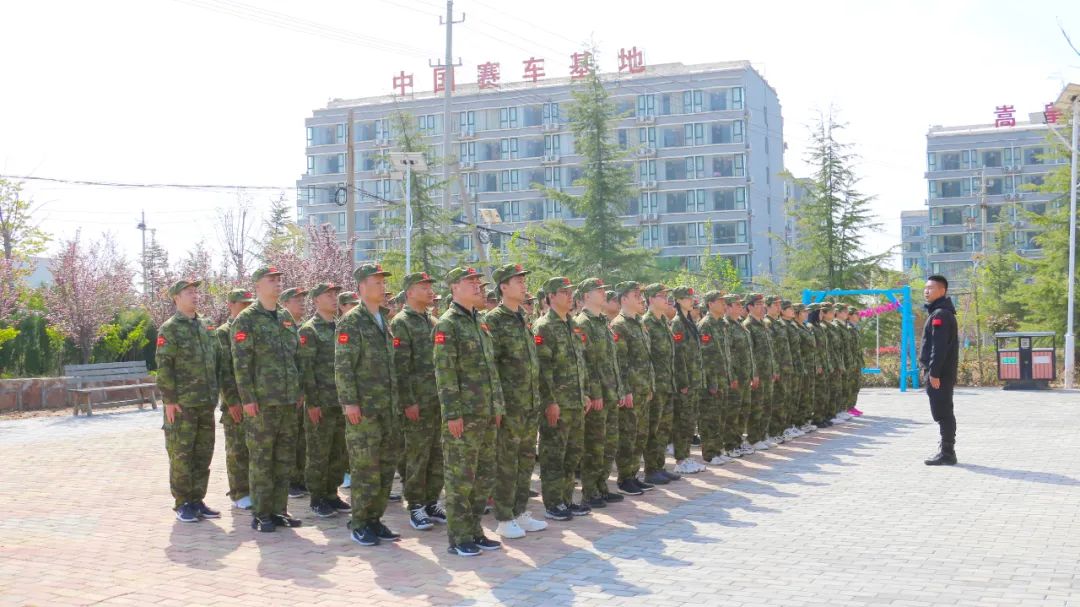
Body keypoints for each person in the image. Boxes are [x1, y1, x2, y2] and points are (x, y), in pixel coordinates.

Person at [433, 266, 505, 557]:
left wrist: (497, 405)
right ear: (454, 287)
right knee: (460, 478)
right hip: (464, 415)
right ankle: (459, 537)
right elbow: (445, 372)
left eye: (478, 282)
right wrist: (452, 414)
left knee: (484, 476)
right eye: (471, 282)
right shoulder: (447, 324)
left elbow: (491, 370)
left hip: (485, 412)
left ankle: (475, 530)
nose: (478, 286)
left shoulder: (480, 321)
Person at [232, 266, 303, 532]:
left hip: (287, 401)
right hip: (262, 403)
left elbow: (296, 357)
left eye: (278, 280)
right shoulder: (246, 319)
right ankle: (261, 513)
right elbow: (241, 363)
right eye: (271, 280)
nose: (276, 283)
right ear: (258, 285)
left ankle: (279, 510)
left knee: (284, 459)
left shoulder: (285, 316)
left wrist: (299, 390)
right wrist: (247, 398)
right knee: (262, 459)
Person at [336, 263, 401, 546]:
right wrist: (349, 402)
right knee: (365, 467)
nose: (382, 287)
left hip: (387, 407)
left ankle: (375, 518)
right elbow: (343, 365)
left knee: (385, 467)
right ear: (362, 287)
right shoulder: (352, 321)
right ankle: (360, 522)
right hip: (364, 409)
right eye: (376, 282)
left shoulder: (383, 319)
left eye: (383, 282)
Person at [485, 264, 547, 539]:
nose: (524, 286)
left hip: (529, 404)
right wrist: (498, 405)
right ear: (503, 287)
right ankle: (504, 517)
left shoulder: (522, 317)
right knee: (506, 463)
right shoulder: (494, 321)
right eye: (518, 281)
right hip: (510, 406)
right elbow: (492, 368)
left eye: (524, 281)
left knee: (525, 460)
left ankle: (520, 511)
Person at [157, 279, 220, 523]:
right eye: (188, 292)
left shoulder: (207, 325)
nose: (195, 295)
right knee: (182, 454)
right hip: (182, 404)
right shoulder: (170, 328)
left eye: (195, 292)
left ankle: (197, 499)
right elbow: (164, 366)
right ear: (176, 298)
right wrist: (169, 400)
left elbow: (217, 359)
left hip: (205, 401)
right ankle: (182, 502)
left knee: (203, 454)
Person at [390, 271, 448, 531]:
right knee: (416, 454)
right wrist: (408, 401)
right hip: (417, 402)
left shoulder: (433, 321)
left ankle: (431, 501)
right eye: (423, 287)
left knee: (437, 454)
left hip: (437, 400)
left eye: (430, 286)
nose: (429, 291)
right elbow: (399, 367)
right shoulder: (401, 323)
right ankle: (415, 505)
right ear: (410, 292)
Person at [535, 276, 591, 521]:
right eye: (564, 292)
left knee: (572, 455)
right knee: (553, 456)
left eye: (571, 292)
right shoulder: (544, 327)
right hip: (558, 404)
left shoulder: (572, 324)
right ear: (550, 297)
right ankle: (553, 502)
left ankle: (567, 499)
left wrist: (584, 393)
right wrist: (550, 401)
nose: (570, 296)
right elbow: (542, 370)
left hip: (575, 402)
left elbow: (580, 363)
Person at [297, 282, 350, 519]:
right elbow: (306, 369)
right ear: (316, 300)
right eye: (328, 295)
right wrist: (312, 402)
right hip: (321, 402)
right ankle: (317, 497)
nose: (333, 298)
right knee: (319, 452)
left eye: (335, 294)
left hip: (341, 401)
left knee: (339, 451)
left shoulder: (341, 327)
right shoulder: (310, 330)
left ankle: (331, 493)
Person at [574, 277, 627, 509]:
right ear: (586, 296)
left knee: (609, 444)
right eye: (599, 291)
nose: (604, 293)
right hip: (598, 396)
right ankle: (590, 491)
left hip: (611, 393)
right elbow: (585, 363)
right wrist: (594, 393)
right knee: (594, 446)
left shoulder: (603, 322)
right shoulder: (582, 323)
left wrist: (619, 389)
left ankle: (602, 486)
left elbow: (612, 361)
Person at [610, 281, 654, 496]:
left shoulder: (639, 323)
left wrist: (650, 385)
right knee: (628, 435)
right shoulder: (619, 325)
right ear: (624, 299)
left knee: (640, 435)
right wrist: (625, 390)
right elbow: (620, 362)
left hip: (643, 388)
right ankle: (625, 478)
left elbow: (647, 358)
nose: (641, 299)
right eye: (636, 295)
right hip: (631, 391)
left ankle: (634, 475)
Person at [216, 288, 254, 510]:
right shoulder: (223, 332)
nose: (247, 308)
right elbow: (224, 370)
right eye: (243, 304)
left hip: (255, 400)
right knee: (237, 449)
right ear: (231, 305)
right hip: (236, 402)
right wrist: (232, 401)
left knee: (255, 448)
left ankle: (255, 489)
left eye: (249, 304)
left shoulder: (252, 328)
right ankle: (240, 492)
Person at [642, 283, 680, 485]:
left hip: (667, 384)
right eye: (661, 296)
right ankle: (651, 470)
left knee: (664, 428)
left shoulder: (664, 321)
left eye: (667, 296)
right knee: (653, 429)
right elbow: (645, 358)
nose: (666, 299)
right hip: (655, 386)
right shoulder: (646, 323)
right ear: (650, 299)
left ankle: (659, 466)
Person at [920, 275, 959, 466]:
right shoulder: (938, 312)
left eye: (931, 288)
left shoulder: (941, 315)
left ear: (942, 291)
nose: (926, 291)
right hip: (939, 372)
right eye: (925, 288)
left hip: (941, 374)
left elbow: (939, 346)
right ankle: (946, 450)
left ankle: (947, 452)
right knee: (943, 411)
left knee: (943, 412)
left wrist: (934, 373)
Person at [279, 286, 310, 499]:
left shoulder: (302, 328)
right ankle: (290, 481)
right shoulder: (282, 328)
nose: (301, 303)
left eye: (302, 299)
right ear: (285, 304)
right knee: (289, 439)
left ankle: (300, 478)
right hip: (285, 394)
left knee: (302, 439)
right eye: (296, 299)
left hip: (301, 393)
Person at [670, 286, 705, 475]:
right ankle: (681, 459)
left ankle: (686, 456)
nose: (691, 301)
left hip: (694, 380)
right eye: (687, 298)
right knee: (682, 422)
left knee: (690, 421)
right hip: (685, 383)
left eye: (692, 298)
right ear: (678, 300)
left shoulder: (689, 322)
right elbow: (678, 356)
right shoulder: (677, 323)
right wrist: (683, 382)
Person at [698, 291, 734, 465]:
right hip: (711, 380)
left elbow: (726, 354)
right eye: (720, 301)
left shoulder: (722, 324)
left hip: (723, 378)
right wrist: (711, 381)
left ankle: (718, 449)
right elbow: (705, 356)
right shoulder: (706, 325)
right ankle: (710, 453)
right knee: (710, 417)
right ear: (710, 304)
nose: (724, 304)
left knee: (721, 416)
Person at [742, 293, 776, 451]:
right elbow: (750, 353)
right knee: (757, 405)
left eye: (763, 304)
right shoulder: (748, 325)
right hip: (758, 373)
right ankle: (754, 438)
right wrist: (754, 373)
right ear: (750, 307)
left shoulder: (765, 323)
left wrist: (774, 369)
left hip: (768, 371)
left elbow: (770, 350)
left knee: (767, 405)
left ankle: (763, 435)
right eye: (758, 304)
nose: (763, 307)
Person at [724, 295, 755, 457]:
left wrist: (752, 373)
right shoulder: (726, 326)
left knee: (743, 411)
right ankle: (730, 445)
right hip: (735, 377)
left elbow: (748, 352)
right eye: (737, 304)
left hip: (745, 375)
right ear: (728, 307)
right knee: (733, 412)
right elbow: (728, 354)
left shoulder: (740, 324)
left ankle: (738, 442)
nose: (740, 307)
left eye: (741, 305)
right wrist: (732, 376)